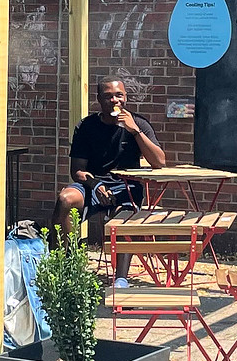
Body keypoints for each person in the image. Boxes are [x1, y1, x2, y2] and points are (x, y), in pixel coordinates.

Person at [54, 76, 166, 279]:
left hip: (126, 189)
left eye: (119, 95)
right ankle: (65, 269)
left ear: (126, 98)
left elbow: (159, 162)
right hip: (93, 185)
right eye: (108, 97)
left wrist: (135, 131)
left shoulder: (139, 123)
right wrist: (95, 184)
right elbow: (77, 170)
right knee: (65, 200)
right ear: (99, 100)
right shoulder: (87, 126)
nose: (114, 100)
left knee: (123, 219)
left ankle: (121, 280)